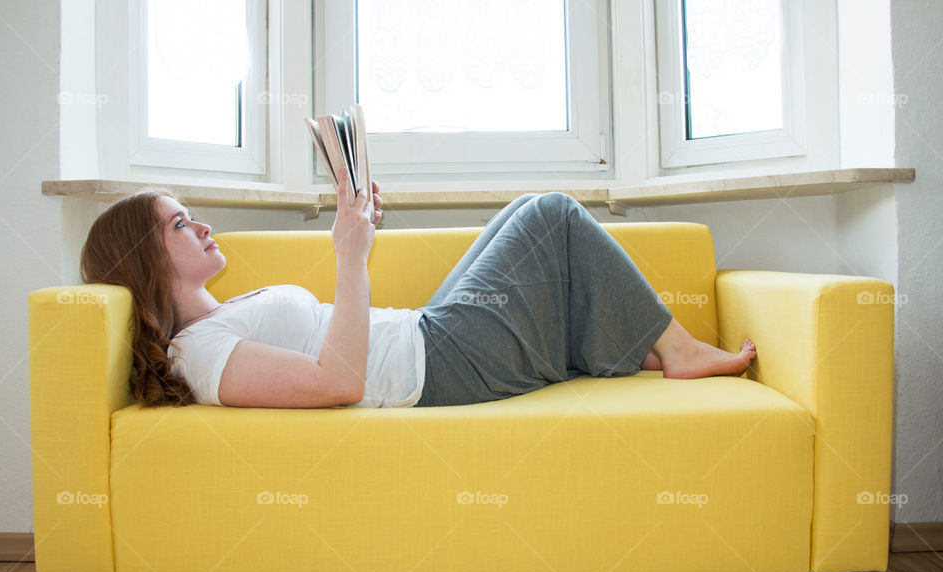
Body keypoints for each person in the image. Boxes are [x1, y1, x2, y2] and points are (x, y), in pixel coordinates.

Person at [79, 167, 756, 409]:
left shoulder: (221, 320)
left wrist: (358, 230)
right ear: (145, 258)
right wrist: (351, 255)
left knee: (526, 209)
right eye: (177, 222)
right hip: (441, 366)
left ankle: (634, 345)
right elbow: (338, 383)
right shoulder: (197, 354)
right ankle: (680, 350)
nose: (199, 224)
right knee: (553, 213)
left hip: (431, 336)